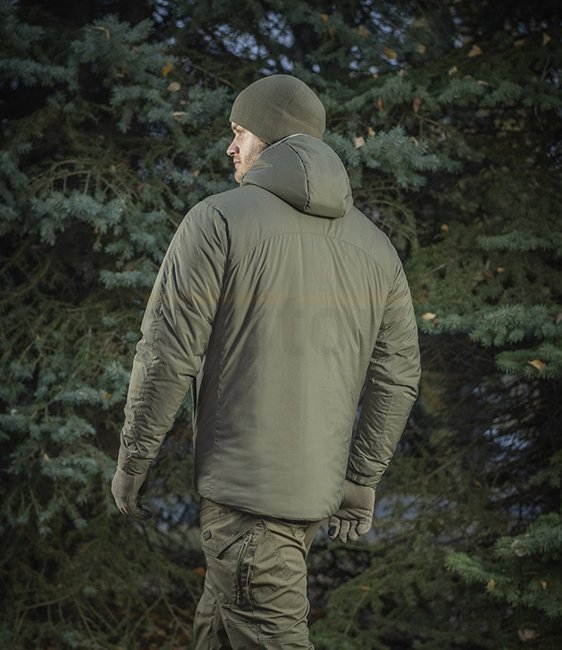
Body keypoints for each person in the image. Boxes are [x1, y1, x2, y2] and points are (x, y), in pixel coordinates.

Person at [111, 74, 421, 649]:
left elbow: (166, 353)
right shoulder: (376, 248)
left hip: (246, 503)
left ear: (272, 138)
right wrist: (360, 479)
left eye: (240, 132)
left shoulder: (218, 220)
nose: (231, 147)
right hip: (303, 500)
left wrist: (134, 457)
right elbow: (397, 376)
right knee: (218, 630)